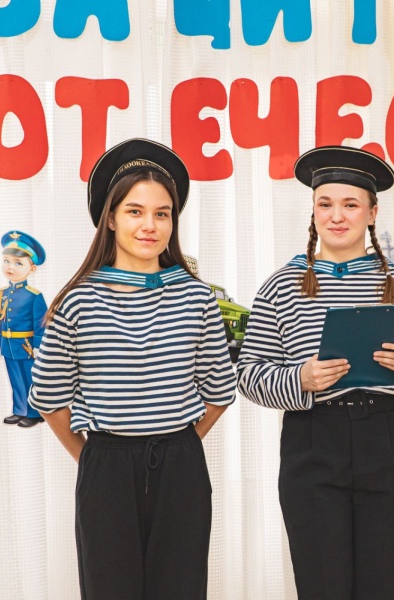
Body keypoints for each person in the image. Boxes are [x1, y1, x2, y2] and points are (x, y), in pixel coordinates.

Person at [236, 146, 394, 600]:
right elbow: (249, 374)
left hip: (387, 440)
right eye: (325, 204)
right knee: (322, 586)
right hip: (313, 439)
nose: (337, 216)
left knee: (381, 586)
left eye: (351, 204)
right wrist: (300, 380)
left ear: (372, 212)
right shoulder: (280, 286)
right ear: (313, 211)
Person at [28, 138, 237, 599]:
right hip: (106, 466)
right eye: (135, 211)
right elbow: (48, 399)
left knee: (180, 589)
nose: (150, 225)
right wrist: (97, 459)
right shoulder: (78, 301)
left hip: (180, 467)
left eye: (162, 213)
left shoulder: (197, 297)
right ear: (111, 218)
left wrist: (178, 445)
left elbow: (220, 391)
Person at [0, 230, 47, 428]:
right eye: (6, 261)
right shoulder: (2, 293)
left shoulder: (34, 295)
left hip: (26, 345)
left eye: (18, 263)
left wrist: (39, 344)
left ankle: (34, 412)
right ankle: (19, 410)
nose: (10, 267)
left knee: (29, 378)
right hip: (8, 344)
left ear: (32, 268)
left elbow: (41, 322)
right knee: (15, 378)